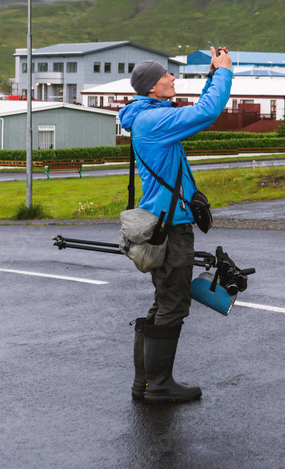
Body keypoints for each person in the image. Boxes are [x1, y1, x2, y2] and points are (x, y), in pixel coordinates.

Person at [118, 46, 233, 404]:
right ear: (152, 87)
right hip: (171, 227)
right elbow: (206, 112)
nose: (172, 78)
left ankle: (147, 383)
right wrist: (226, 72)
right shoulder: (154, 121)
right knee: (174, 304)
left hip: (165, 220)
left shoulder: (150, 115)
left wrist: (213, 75)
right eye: (166, 75)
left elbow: (194, 114)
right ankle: (159, 385)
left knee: (164, 301)